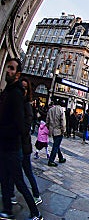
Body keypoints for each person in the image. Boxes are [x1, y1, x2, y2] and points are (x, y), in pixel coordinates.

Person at [0, 58, 43, 219]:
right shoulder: (9, 92)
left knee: (20, 181)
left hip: (13, 147)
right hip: (6, 145)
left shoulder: (17, 95)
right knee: (5, 179)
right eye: (7, 67)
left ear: (17, 74)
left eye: (12, 68)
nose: (8, 71)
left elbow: (21, 126)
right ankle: (7, 211)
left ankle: (35, 213)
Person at [11, 78, 42, 205]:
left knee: (27, 172)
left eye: (25, 88)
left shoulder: (27, 106)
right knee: (14, 170)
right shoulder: (16, 104)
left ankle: (35, 195)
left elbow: (25, 128)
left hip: (23, 146)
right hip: (15, 144)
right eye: (21, 87)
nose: (22, 90)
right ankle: (11, 194)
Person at [46, 100, 67, 167]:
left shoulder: (50, 110)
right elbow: (63, 121)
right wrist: (63, 130)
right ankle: (51, 161)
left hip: (52, 130)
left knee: (56, 144)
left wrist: (49, 128)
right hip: (59, 130)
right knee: (55, 146)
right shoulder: (61, 110)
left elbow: (47, 120)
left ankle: (61, 158)